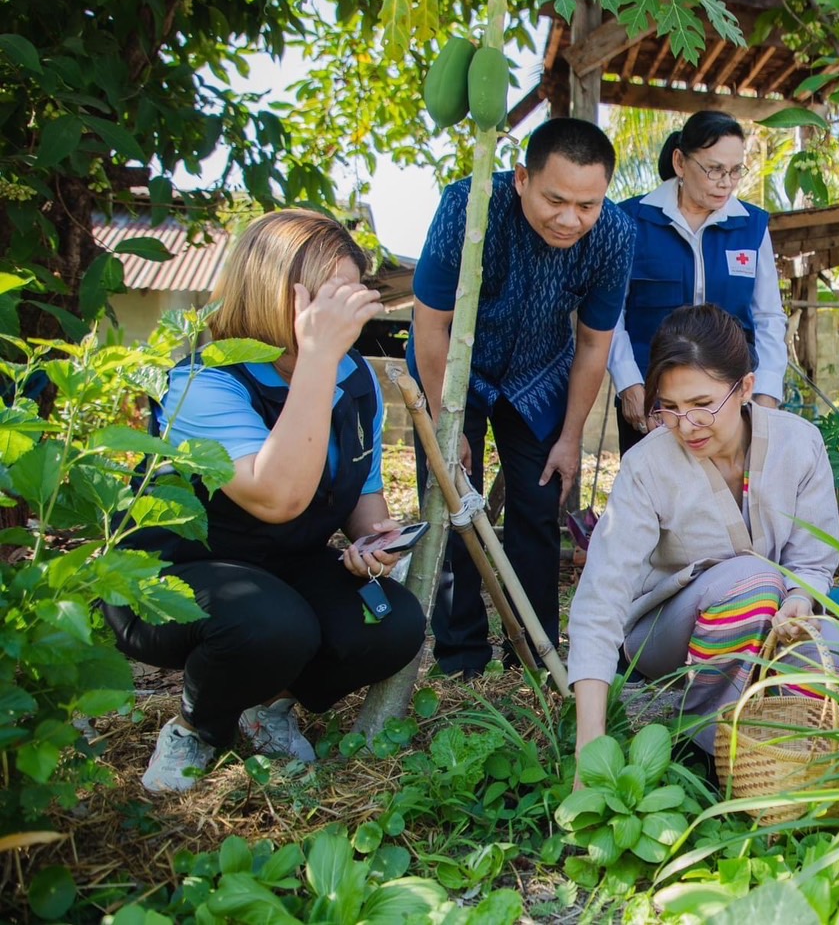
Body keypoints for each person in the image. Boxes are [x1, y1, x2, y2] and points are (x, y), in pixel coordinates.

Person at [107, 211, 426, 793]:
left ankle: (267, 705)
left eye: (352, 291)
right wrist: (317, 359)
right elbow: (277, 497)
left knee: (392, 622)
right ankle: (198, 727)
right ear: (272, 290)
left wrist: (376, 541)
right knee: (274, 624)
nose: (346, 308)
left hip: (283, 569)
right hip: (173, 578)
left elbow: (365, 493)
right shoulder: (203, 384)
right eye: (329, 294)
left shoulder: (355, 382)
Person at [568, 305, 839, 758]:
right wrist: (590, 741)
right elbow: (602, 595)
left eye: (703, 405)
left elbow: (811, 563)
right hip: (666, 635)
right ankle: (707, 746)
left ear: (745, 387)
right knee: (752, 580)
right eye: (670, 408)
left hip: (772, 618)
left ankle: (776, 754)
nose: (686, 426)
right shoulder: (648, 465)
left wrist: (800, 599)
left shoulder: (799, 444)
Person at [408, 118, 634, 678]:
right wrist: (445, 422)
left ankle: (535, 657)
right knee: (453, 505)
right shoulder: (467, 206)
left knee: (538, 509)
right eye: (556, 199)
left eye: (587, 205)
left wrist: (572, 436)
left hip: (540, 375)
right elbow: (430, 326)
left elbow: (593, 341)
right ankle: (460, 660)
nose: (570, 219)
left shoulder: (616, 234)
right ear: (521, 180)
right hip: (453, 371)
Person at [609, 110, 788, 454]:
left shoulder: (751, 227)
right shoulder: (631, 221)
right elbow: (611, 316)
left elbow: (768, 317)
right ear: (680, 162)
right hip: (654, 401)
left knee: (728, 500)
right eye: (714, 169)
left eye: (735, 170)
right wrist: (628, 383)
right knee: (657, 498)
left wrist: (766, 393)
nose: (726, 182)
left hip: (728, 400)